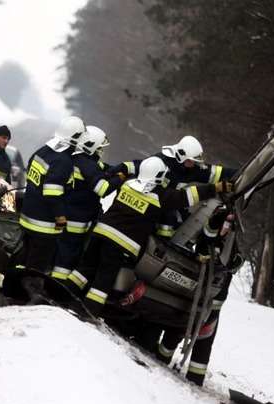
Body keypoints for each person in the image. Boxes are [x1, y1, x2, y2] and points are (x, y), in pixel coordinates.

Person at [67, 156, 233, 315]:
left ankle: (64, 293)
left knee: (84, 267)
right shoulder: (160, 196)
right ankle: (89, 309)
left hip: (101, 232)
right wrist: (216, 188)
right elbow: (187, 196)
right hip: (120, 243)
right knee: (104, 277)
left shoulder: (128, 184)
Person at [126, 208, 243, 387]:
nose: (227, 226)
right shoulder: (211, 225)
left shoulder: (231, 240)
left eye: (229, 223)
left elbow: (232, 261)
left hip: (210, 300)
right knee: (177, 326)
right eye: (225, 222)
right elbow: (206, 238)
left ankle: (194, 378)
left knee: (199, 335)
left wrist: (233, 261)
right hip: (199, 294)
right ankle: (162, 357)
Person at [111, 136, 238, 240]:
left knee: (184, 220)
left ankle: (165, 244)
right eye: (190, 161)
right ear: (180, 156)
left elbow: (217, 173)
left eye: (194, 161)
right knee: (167, 219)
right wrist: (116, 172)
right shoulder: (159, 163)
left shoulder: (191, 168)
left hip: (171, 202)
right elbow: (137, 167)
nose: (193, 164)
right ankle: (158, 244)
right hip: (149, 205)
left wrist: (241, 175)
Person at [16, 116, 85, 303]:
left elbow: (30, 169)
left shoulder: (44, 150)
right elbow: (52, 193)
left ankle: (15, 288)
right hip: (44, 223)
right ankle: (29, 294)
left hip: (28, 216)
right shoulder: (63, 161)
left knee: (25, 256)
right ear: (75, 138)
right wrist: (60, 216)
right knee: (38, 263)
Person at [51, 126, 124, 280]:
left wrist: (117, 169)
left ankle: (51, 279)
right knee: (67, 257)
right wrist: (120, 177)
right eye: (100, 148)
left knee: (58, 251)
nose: (101, 152)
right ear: (91, 146)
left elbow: (99, 169)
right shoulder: (88, 165)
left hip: (63, 214)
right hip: (76, 220)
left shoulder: (74, 159)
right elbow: (103, 189)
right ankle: (57, 284)